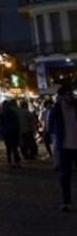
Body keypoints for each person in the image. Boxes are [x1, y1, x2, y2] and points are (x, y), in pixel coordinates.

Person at [49, 83, 77, 212]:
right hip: (65, 146)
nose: (69, 96)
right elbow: (50, 126)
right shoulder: (57, 110)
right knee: (65, 175)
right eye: (66, 94)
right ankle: (66, 201)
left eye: (70, 94)